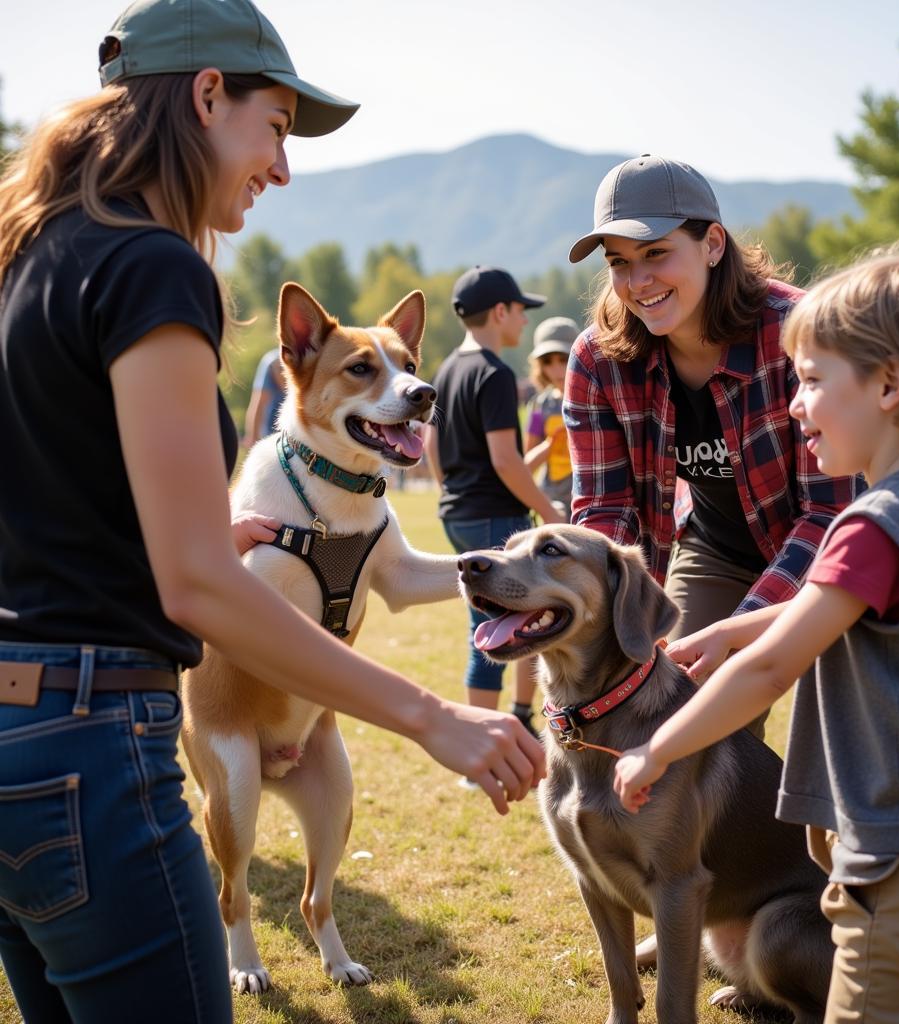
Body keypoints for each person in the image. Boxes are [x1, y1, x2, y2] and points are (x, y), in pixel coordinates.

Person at [0, 3, 544, 1022]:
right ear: (208, 95)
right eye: (277, 128)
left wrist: (189, 531)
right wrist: (431, 715)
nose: (281, 166)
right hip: (94, 744)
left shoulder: (30, 257)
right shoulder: (154, 265)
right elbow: (195, 583)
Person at [613, 250, 899, 1023]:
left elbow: (772, 671)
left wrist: (659, 747)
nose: (793, 406)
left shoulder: (866, 526)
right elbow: (856, 606)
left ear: (889, 386)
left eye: (809, 380)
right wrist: (735, 627)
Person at [563, 154, 863, 673]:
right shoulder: (597, 362)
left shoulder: (802, 334)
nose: (638, 281)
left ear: (714, 245)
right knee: (680, 705)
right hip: (716, 550)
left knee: (844, 737)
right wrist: (619, 621)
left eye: (656, 252)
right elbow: (604, 514)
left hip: (842, 551)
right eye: (618, 262)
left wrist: (740, 632)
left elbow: (828, 512)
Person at [424, 267, 565, 752]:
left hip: (458, 513)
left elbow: (431, 444)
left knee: (483, 624)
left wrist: (452, 494)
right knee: (527, 617)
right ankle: (518, 724)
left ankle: (487, 737)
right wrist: (549, 511)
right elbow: (505, 460)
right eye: (521, 310)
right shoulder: (495, 373)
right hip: (496, 518)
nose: (524, 321)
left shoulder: (446, 370)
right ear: (500, 311)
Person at [524, 316, 579, 518]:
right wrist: (550, 445)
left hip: (587, 500)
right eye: (547, 362)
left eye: (563, 359)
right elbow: (527, 465)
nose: (556, 369)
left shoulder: (594, 399)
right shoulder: (540, 405)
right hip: (553, 503)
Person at [242, 345, 285, 446]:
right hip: (272, 435)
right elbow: (259, 404)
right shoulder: (272, 362)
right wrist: (253, 438)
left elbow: (258, 404)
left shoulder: (272, 361)